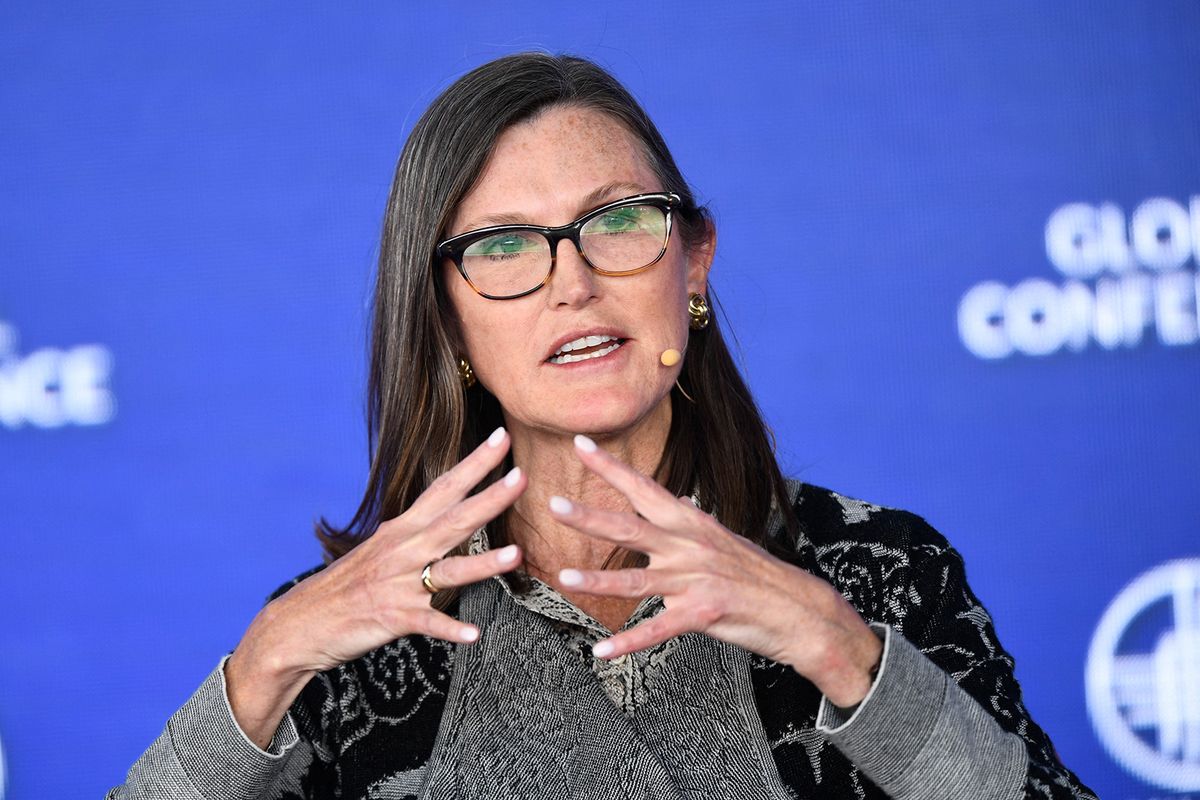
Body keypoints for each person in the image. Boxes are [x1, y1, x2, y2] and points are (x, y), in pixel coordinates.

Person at [109, 52, 1097, 800]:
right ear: (446, 317)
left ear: (694, 262)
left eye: (619, 223)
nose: (575, 282)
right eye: (504, 245)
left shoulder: (880, 571)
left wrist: (846, 653)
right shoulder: (347, 639)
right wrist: (264, 664)